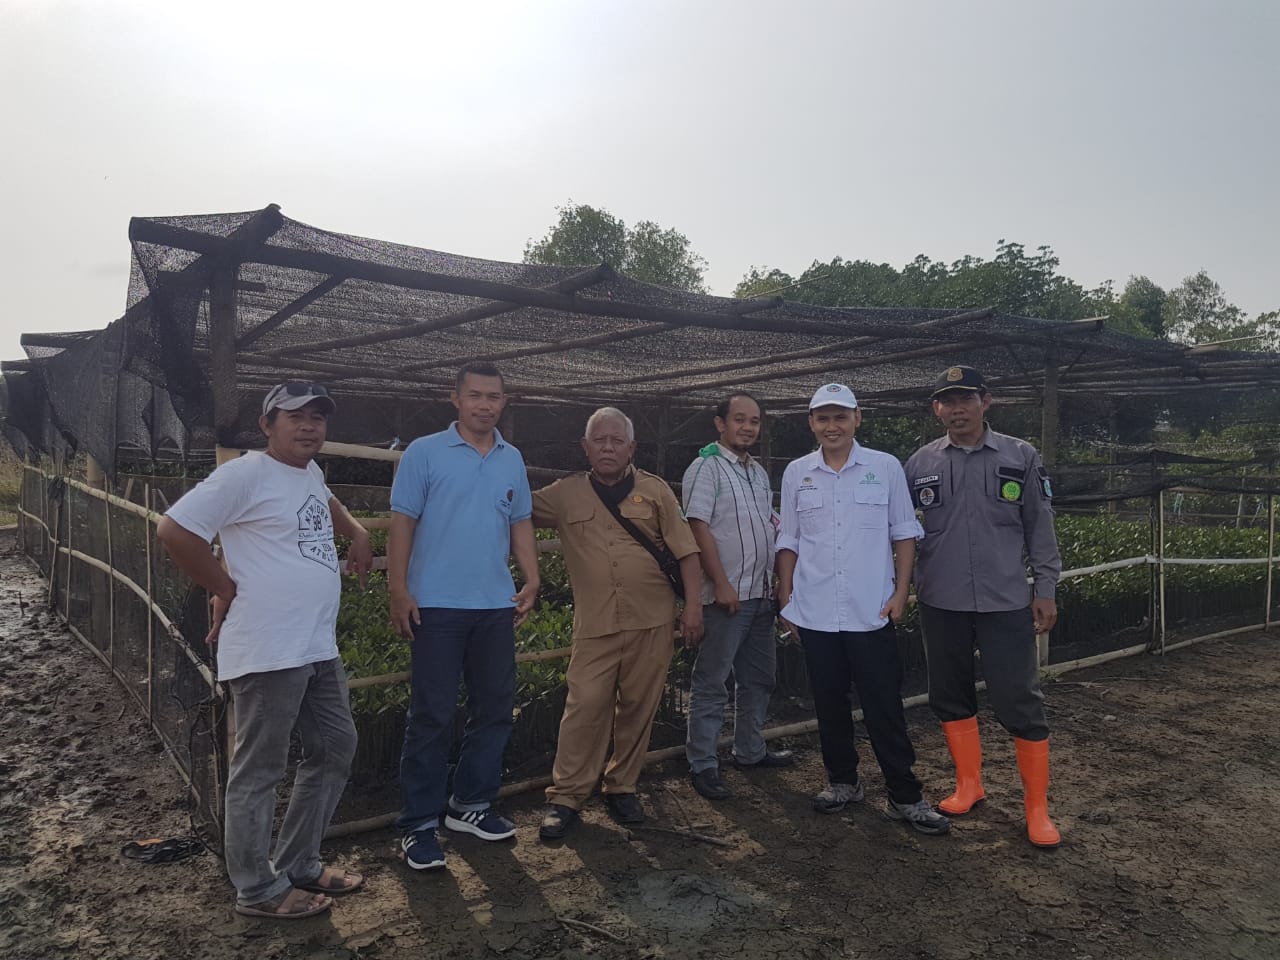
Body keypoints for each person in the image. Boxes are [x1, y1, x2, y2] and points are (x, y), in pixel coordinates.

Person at [157, 382, 372, 919]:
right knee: (260, 769)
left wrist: (357, 531)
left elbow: (327, 501)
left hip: (315, 643)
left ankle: (299, 861)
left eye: (318, 417)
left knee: (334, 748)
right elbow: (175, 529)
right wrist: (223, 587)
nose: (309, 426)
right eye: (295, 416)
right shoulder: (244, 473)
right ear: (267, 424)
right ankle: (257, 889)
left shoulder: (308, 472)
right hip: (269, 647)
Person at [776, 383, 950, 835]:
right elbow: (789, 539)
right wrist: (787, 599)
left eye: (840, 417)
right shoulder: (798, 472)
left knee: (883, 705)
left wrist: (900, 594)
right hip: (813, 610)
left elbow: (904, 532)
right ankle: (842, 781)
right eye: (822, 418)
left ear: (858, 418)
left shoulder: (884, 467)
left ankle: (904, 794)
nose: (831, 426)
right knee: (829, 702)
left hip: (870, 609)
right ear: (811, 423)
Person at [389, 362, 540, 870]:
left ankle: (470, 805)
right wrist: (398, 588)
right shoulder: (424, 452)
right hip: (435, 603)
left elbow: (520, 520)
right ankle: (417, 824)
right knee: (431, 715)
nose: (484, 405)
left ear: (504, 401)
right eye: (474, 395)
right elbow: (402, 522)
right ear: (454, 398)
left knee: (495, 708)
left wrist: (532, 577)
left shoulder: (511, 457)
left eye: (493, 397)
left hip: (495, 604)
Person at [904, 365, 1063, 848]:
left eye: (965, 398)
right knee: (949, 696)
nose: (956, 408)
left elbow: (1039, 524)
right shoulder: (918, 463)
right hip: (941, 600)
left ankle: (1036, 808)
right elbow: (902, 531)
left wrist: (1046, 588)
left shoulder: (1021, 455)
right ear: (936, 409)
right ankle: (969, 785)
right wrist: (899, 587)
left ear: (985, 401)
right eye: (946, 401)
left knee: (1019, 699)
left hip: (1005, 601)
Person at [532, 407, 703, 839]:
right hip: (597, 623)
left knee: (639, 707)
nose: (607, 448)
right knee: (585, 705)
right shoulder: (563, 494)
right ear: (585, 448)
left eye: (616, 441)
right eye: (599, 441)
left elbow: (686, 552)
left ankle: (621, 785)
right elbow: (510, 508)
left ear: (631, 448)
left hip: (654, 619)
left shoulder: (656, 491)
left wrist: (694, 609)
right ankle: (567, 796)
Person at [681, 392, 788, 802]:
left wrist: (778, 582)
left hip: (760, 595)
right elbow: (697, 526)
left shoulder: (757, 472)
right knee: (711, 682)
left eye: (755, 421)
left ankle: (750, 750)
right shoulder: (706, 468)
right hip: (726, 598)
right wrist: (720, 583)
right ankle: (703, 763)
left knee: (758, 680)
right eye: (739, 419)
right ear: (720, 423)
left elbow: (769, 527)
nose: (747, 427)